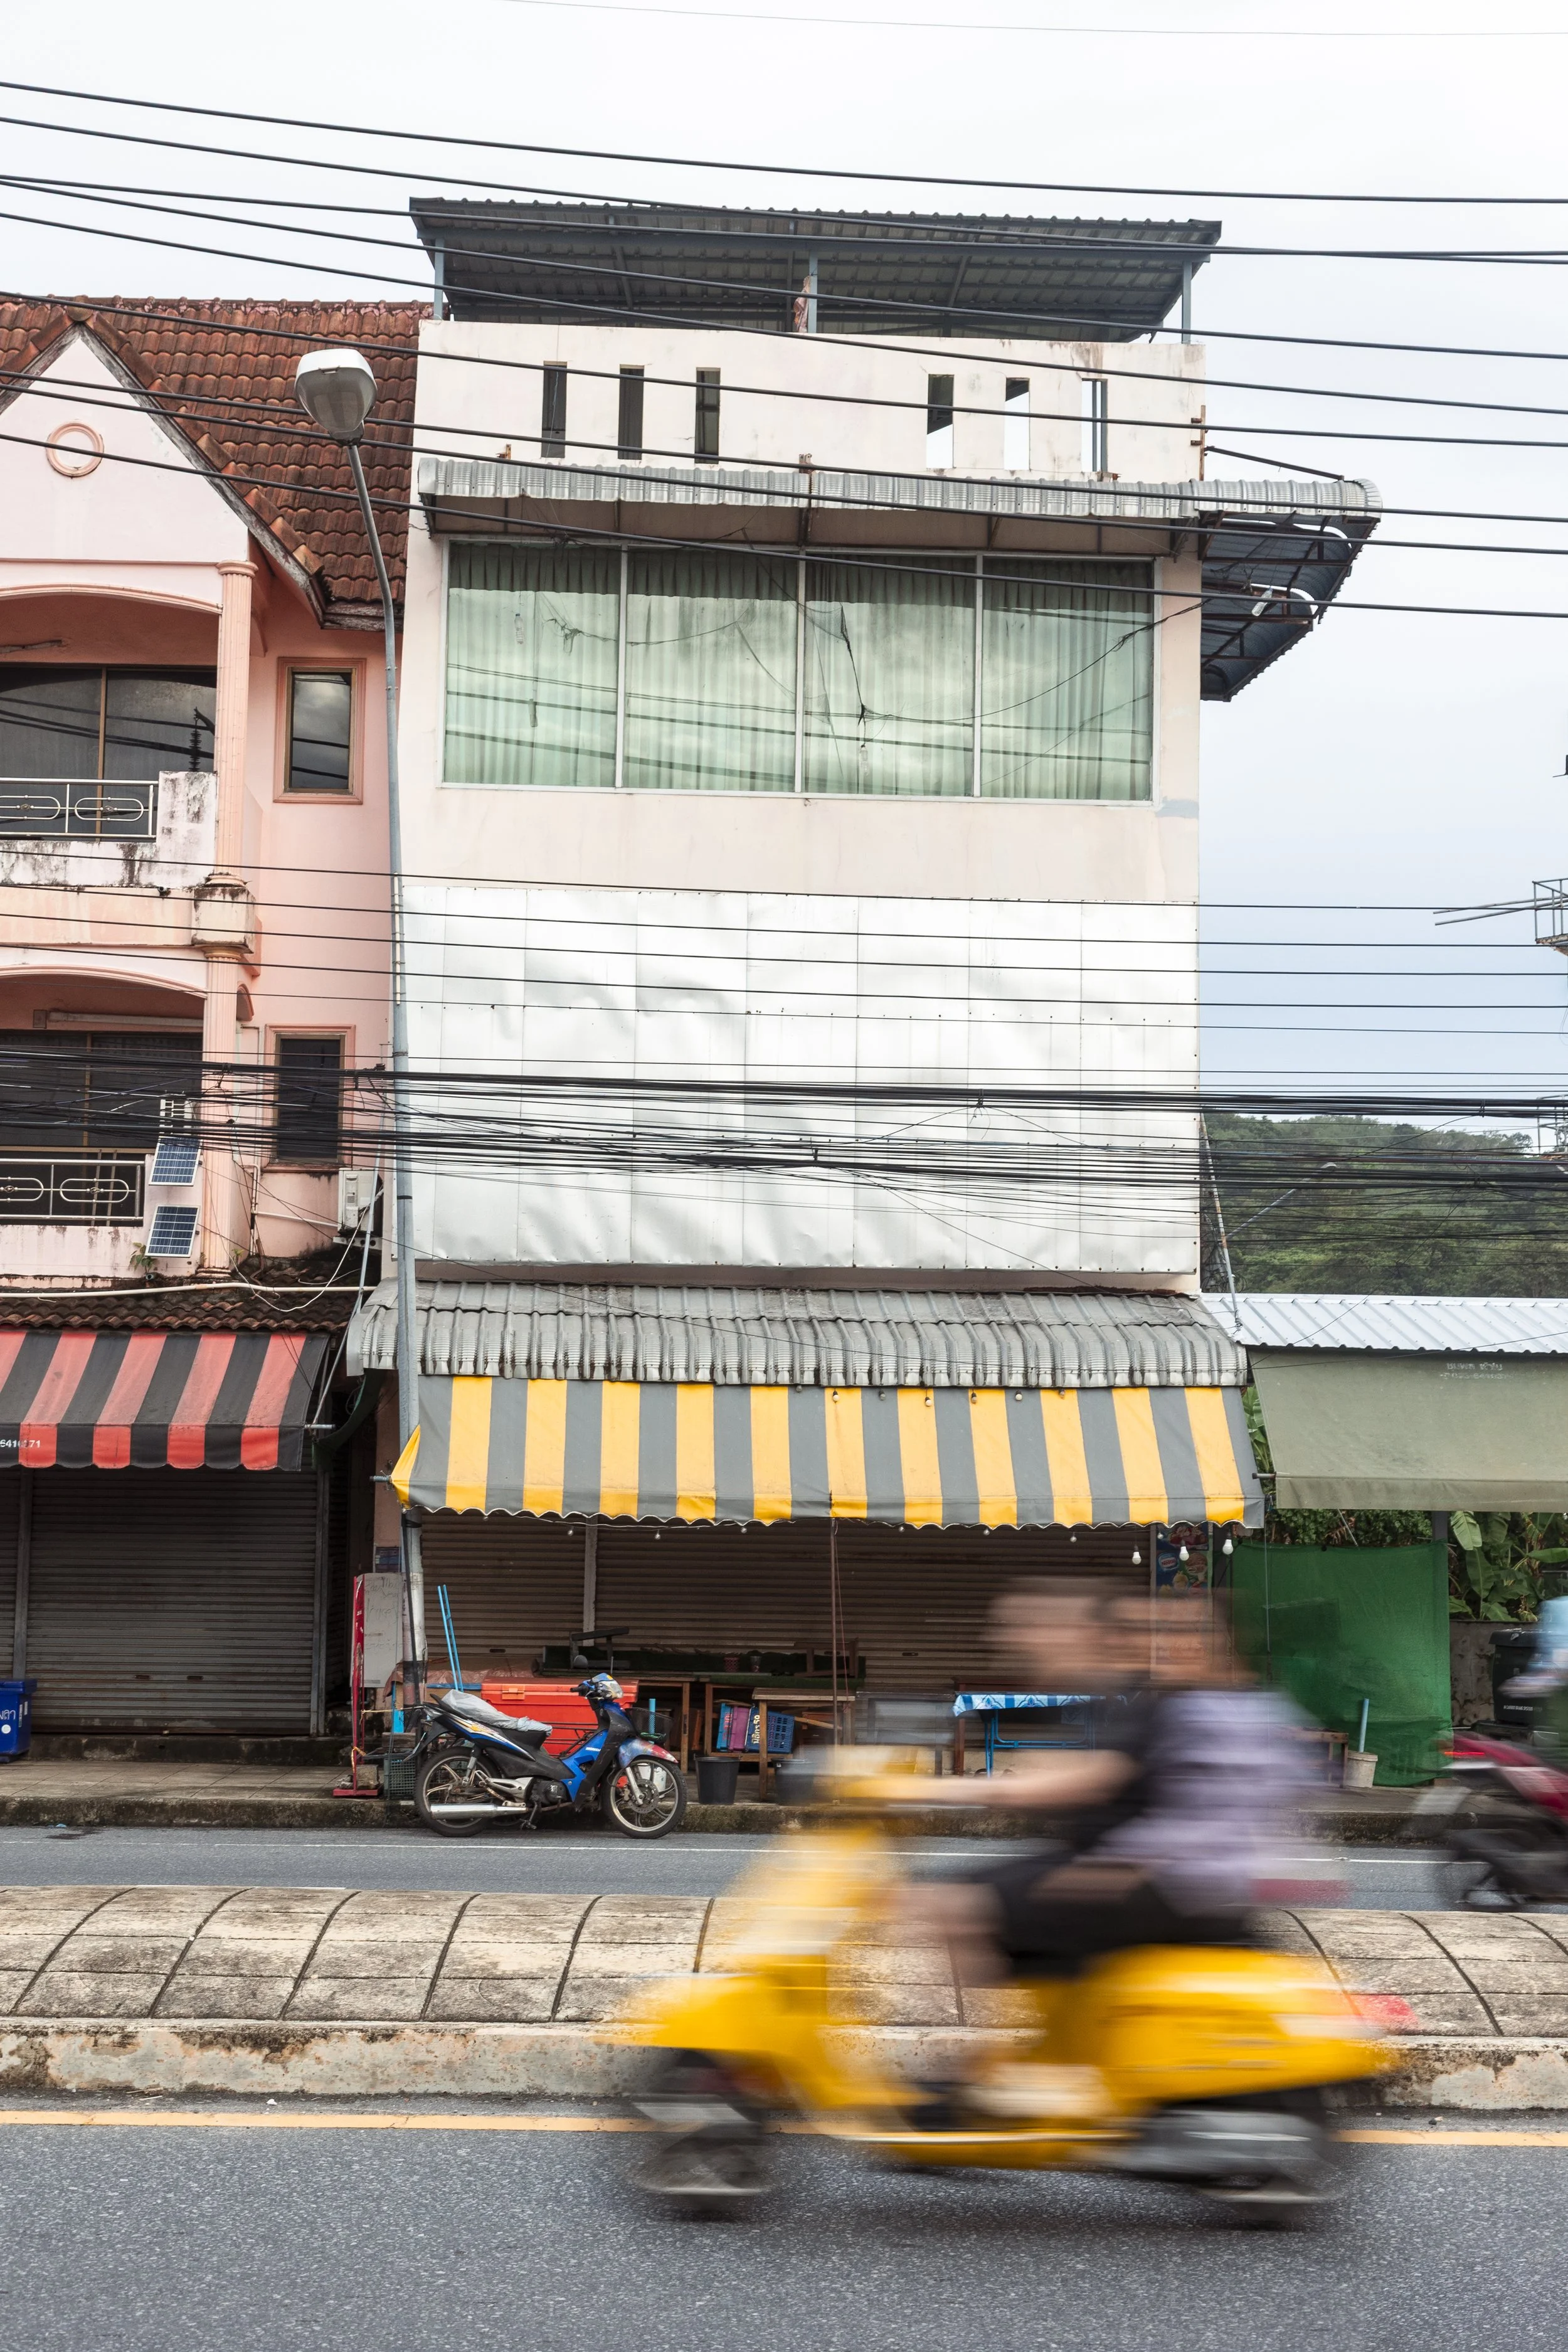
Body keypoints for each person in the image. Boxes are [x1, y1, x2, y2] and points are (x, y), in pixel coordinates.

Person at [907, 1577, 1310, 1989]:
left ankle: (1014, 2045)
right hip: (1178, 1880)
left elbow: (1104, 1782)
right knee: (985, 1894)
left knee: (961, 1904)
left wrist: (941, 1788)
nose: (1164, 1645)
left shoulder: (1193, 1708)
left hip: (1172, 1887)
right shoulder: (1237, 1706)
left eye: (1185, 1634)